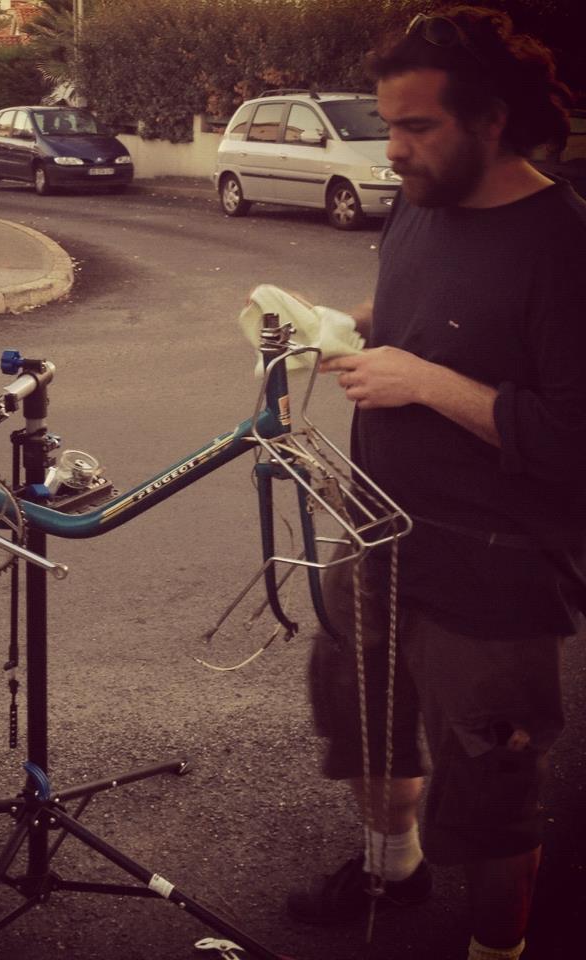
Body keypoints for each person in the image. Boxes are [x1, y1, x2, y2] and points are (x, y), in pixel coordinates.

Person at [286, 7, 585, 960]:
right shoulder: (421, 200)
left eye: (417, 126)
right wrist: (340, 324)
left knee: (494, 783)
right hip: (380, 529)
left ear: (492, 120)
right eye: (389, 125)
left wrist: (420, 380)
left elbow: (573, 437)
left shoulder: (563, 248)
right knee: (361, 713)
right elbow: (416, 305)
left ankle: (497, 951)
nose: (394, 149)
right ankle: (394, 867)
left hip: (493, 572)